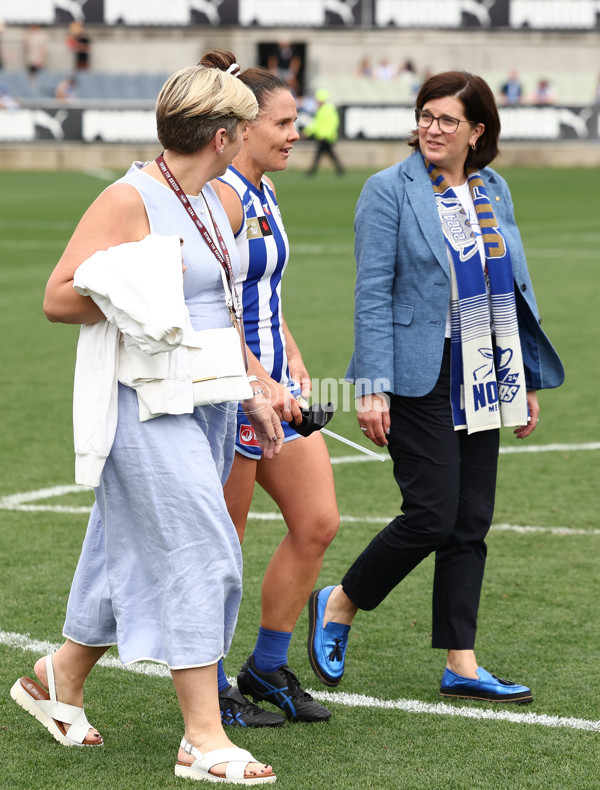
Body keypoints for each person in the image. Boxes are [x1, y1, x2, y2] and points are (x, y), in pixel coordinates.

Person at [10, 63, 285, 784]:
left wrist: (255, 383)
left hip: (209, 398)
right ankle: (202, 736)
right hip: (143, 403)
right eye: (248, 125)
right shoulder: (129, 197)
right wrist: (144, 303)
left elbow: (218, 302)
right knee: (203, 545)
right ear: (225, 135)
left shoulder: (216, 200)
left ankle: (55, 678)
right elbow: (59, 297)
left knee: (118, 548)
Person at [307, 70, 564, 704]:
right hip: (416, 371)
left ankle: (461, 663)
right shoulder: (387, 190)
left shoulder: (493, 187)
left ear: (477, 132)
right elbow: (372, 294)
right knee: (430, 514)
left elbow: (510, 288)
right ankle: (339, 602)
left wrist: (522, 378)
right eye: (426, 115)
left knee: (470, 520)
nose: (432, 128)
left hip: (485, 366)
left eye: (448, 120)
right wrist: (370, 386)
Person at [199, 49, 339, 726]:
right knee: (223, 543)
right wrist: (255, 375)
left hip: (272, 383)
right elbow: (204, 302)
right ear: (243, 127)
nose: (295, 134)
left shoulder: (266, 188)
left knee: (317, 523)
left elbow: (261, 289)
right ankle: (214, 685)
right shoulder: (221, 196)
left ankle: (265, 667)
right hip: (229, 392)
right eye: (284, 123)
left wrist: (289, 350)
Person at [304, 89, 344, 177]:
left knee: (320, 155)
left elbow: (332, 123)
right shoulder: (322, 110)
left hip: (326, 138)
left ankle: (311, 172)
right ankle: (340, 170)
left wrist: (326, 135)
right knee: (328, 154)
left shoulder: (328, 109)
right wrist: (307, 132)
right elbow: (317, 124)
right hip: (323, 137)